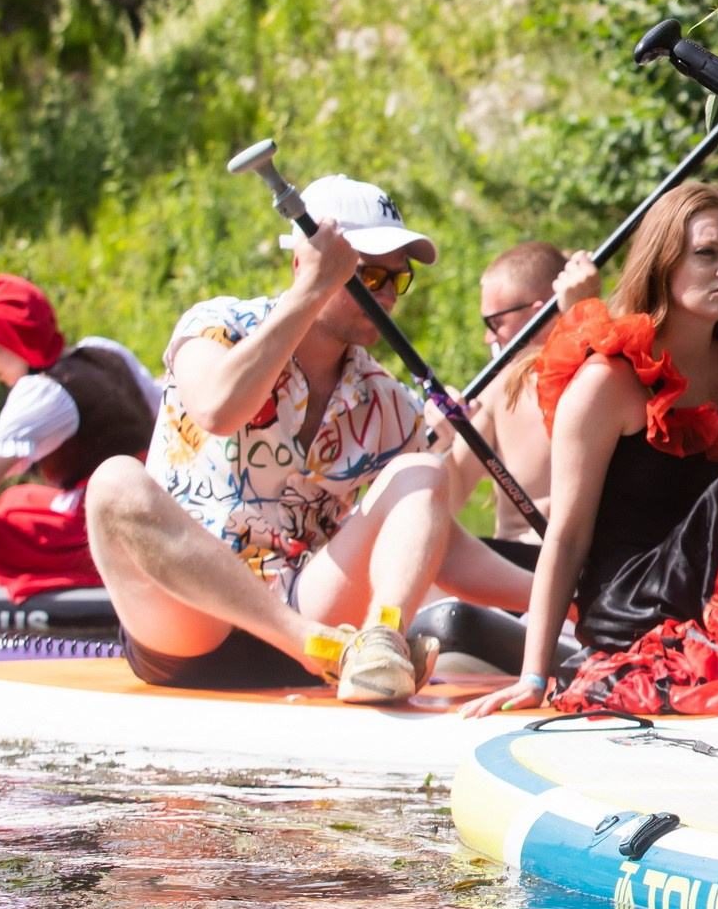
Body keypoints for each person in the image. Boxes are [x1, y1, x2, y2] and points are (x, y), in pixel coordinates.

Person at [83, 175, 533, 701]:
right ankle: (326, 649)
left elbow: (436, 543)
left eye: (398, 279)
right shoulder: (217, 325)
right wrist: (311, 292)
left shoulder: (388, 403)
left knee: (423, 472)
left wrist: (566, 598)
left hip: (312, 606)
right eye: (369, 275)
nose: (387, 295)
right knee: (113, 482)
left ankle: (381, 643)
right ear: (305, 264)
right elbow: (217, 411)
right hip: (191, 624)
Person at [457, 183, 718, 720]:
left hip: (705, 597)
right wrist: (533, 676)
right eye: (706, 253)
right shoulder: (606, 382)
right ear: (664, 263)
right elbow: (566, 538)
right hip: (630, 605)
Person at [0, 275, 160, 599]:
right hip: (143, 501)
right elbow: (159, 409)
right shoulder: (104, 352)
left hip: (107, 526)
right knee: (15, 498)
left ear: (9, 337)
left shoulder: (43, 392)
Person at [439, 239, 602, 559]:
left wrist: (583, 315)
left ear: (539, 313)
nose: (488, 337)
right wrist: (442, 443)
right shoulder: (499, 389)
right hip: (511, 561)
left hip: (587, 566)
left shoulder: (604, 369)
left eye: (495, 323)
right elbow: (450, 501)